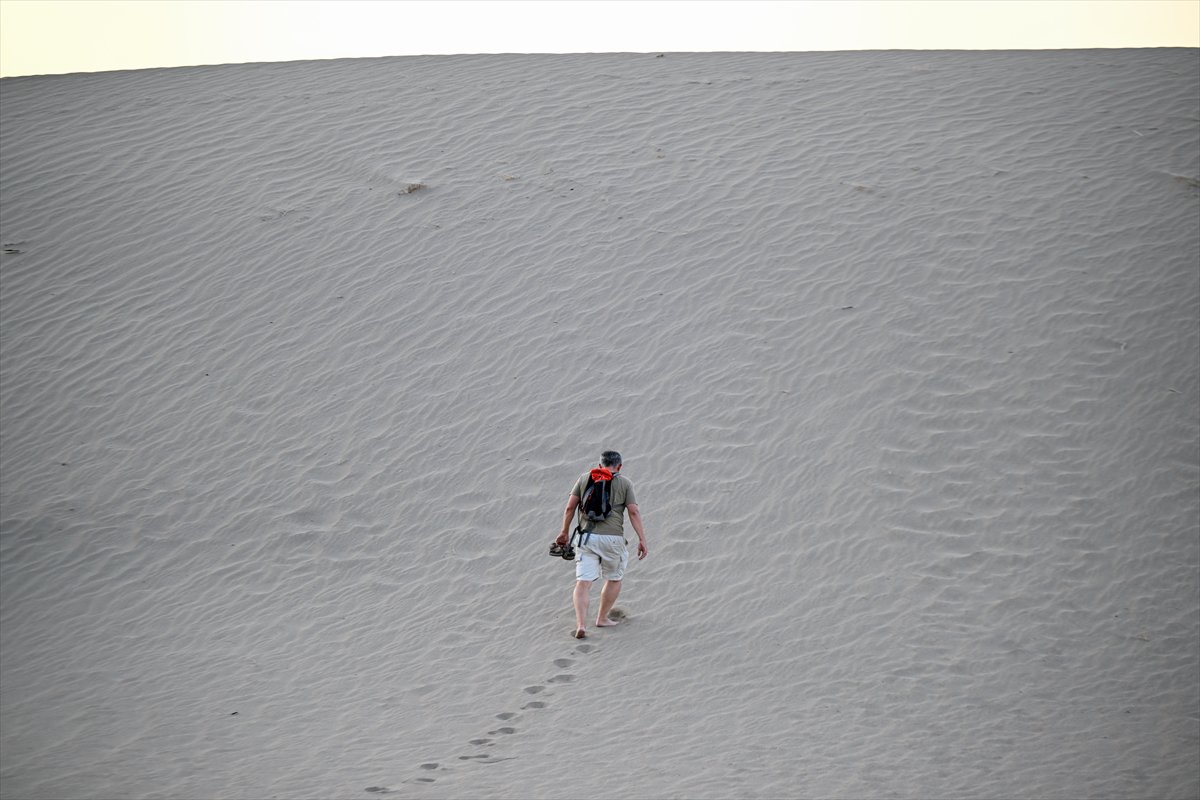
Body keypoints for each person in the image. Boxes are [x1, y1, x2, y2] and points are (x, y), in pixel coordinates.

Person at [555, 450, 648, 639]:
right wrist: (642, 539)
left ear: (600, 465)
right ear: (619, 466)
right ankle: (602, 618)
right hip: (612, 539)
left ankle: (581, 624)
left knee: (583, 583)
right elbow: (633, 512)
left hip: (586, 538)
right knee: (614, 578)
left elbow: (569, 507)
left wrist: (564, 532)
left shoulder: (585, 479)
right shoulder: (624, 483)